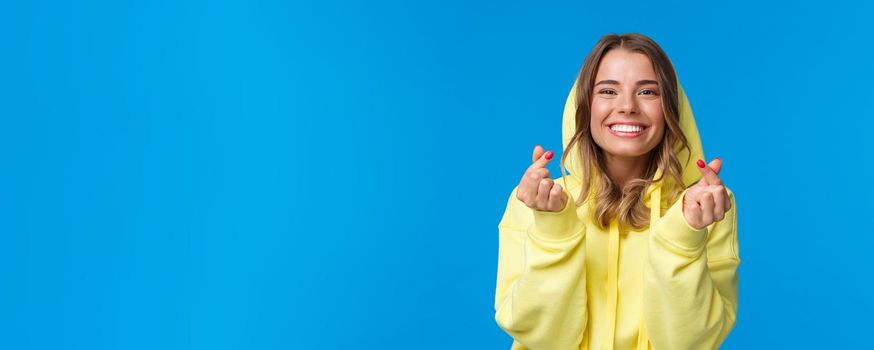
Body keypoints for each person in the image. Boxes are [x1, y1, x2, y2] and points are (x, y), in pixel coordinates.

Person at [494, 33, 740, 350]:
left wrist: (685, 235)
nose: (627, 107)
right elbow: (540, 337)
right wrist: (552, 228)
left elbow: (691, 342)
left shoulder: (708, 206)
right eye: (608, 91)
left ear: (670, 109)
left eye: (648, 92)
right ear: (585, 105)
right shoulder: (536, 200)